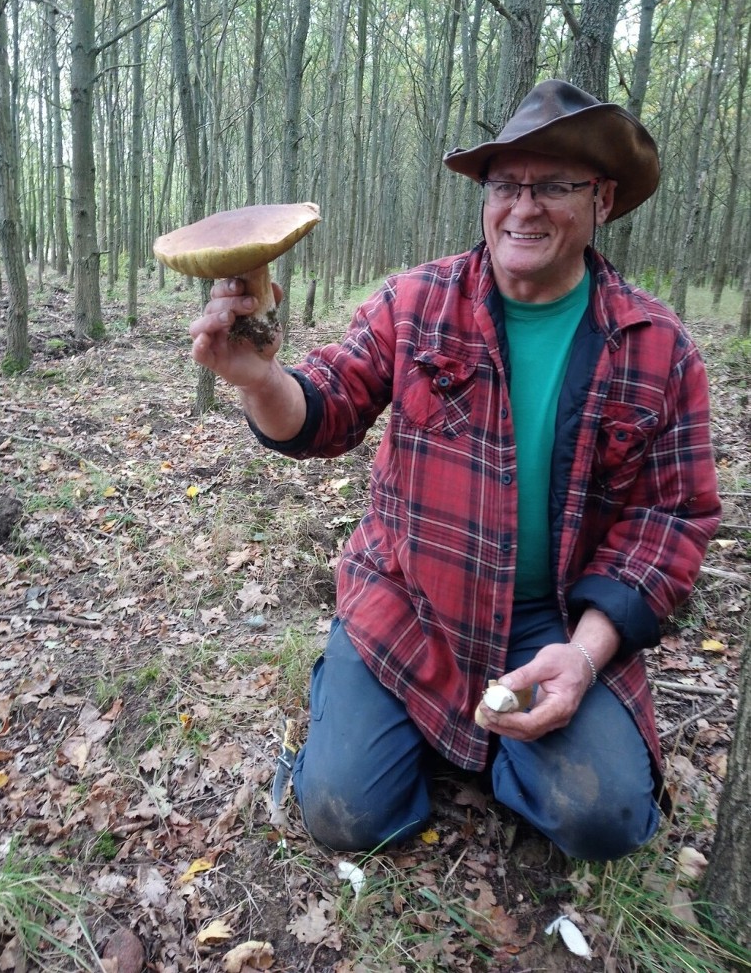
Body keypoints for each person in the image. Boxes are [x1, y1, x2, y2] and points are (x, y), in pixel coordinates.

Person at [189, 79, 721, 862]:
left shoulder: (657, 345)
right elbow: (326, 406)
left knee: (602, 818)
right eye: (505, 184)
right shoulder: (417, 303)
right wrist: (260, 380)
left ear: (603, 199)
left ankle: (489, 743)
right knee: (343, 813)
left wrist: (585, 655)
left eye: (555, 186)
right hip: (410, 600)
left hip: (554, 623)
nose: (523, 207)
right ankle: (372, 704)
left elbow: (674, 519)